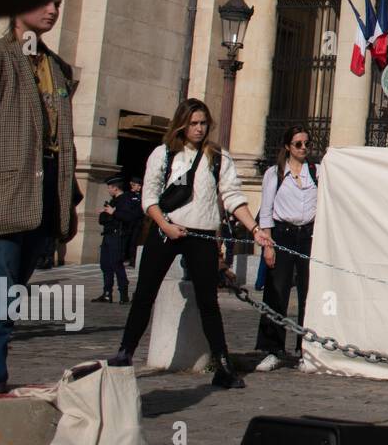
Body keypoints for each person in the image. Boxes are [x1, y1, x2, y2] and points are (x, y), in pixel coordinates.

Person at [109, 98, 271, 388]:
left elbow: (232, 196)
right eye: (193, 123)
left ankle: (222, 364)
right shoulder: (164, 154)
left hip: (202, 234)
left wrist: (255, 228)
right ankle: (125, 352)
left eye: (203, 123)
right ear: (182, 124)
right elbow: (149, 197)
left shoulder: (218, 157)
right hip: (166, 229)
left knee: (208, 300)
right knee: (145, 292)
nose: (198, 129)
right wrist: (165, 225)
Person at [0, 0, 80, 394]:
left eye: (58, 1)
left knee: (9, 300)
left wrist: (67, 204)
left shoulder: (57, 68)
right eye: (43, 0)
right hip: (1, 200)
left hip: (43, 196)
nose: (53, 10)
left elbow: (63, 138)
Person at [254, 126, 318, 371]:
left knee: (307, 292)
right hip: (282, 234)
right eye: (298, 144)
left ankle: (305, 348)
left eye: (306, 143)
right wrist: (268, 245)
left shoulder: (316, 172)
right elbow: (267, 211)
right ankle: (273, 349)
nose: (303, 148)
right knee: (276, 291)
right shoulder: (275, 173)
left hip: (308, 235)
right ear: (288, 147)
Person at [93, 175, 140, 304]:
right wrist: (107, 213)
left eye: (109, 187)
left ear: (115, 188)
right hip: (108, 235)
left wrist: (113, 213)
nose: (108, 190)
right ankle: (107, 293)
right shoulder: (114, 200)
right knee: (105, 264)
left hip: (117, 236)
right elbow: (103, 219)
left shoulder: (126, 200)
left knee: (116, 264)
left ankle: (123, 294)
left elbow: (129, 218)